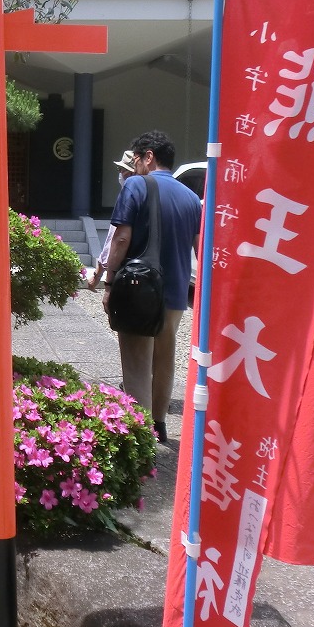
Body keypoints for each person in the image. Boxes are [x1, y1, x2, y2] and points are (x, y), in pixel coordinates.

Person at [102, 131, 201, 444]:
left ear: (149, 156)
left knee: (137, 362)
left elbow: (121, 238)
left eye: (136, 158)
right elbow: (200, 248)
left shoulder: (136, 185)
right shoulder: (191, 198)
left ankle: (139, 434)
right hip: (175, 293)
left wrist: (109, 282)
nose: (134, 165)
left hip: (139, 289)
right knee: (164, 357)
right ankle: (159, 424)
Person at [87, 149, 138, 290]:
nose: (120, 173)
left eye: (122, 169)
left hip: (125, 271)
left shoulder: (127, 198)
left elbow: (116, 239)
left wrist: (99, 277)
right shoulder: (150, 193)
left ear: (131, 173)